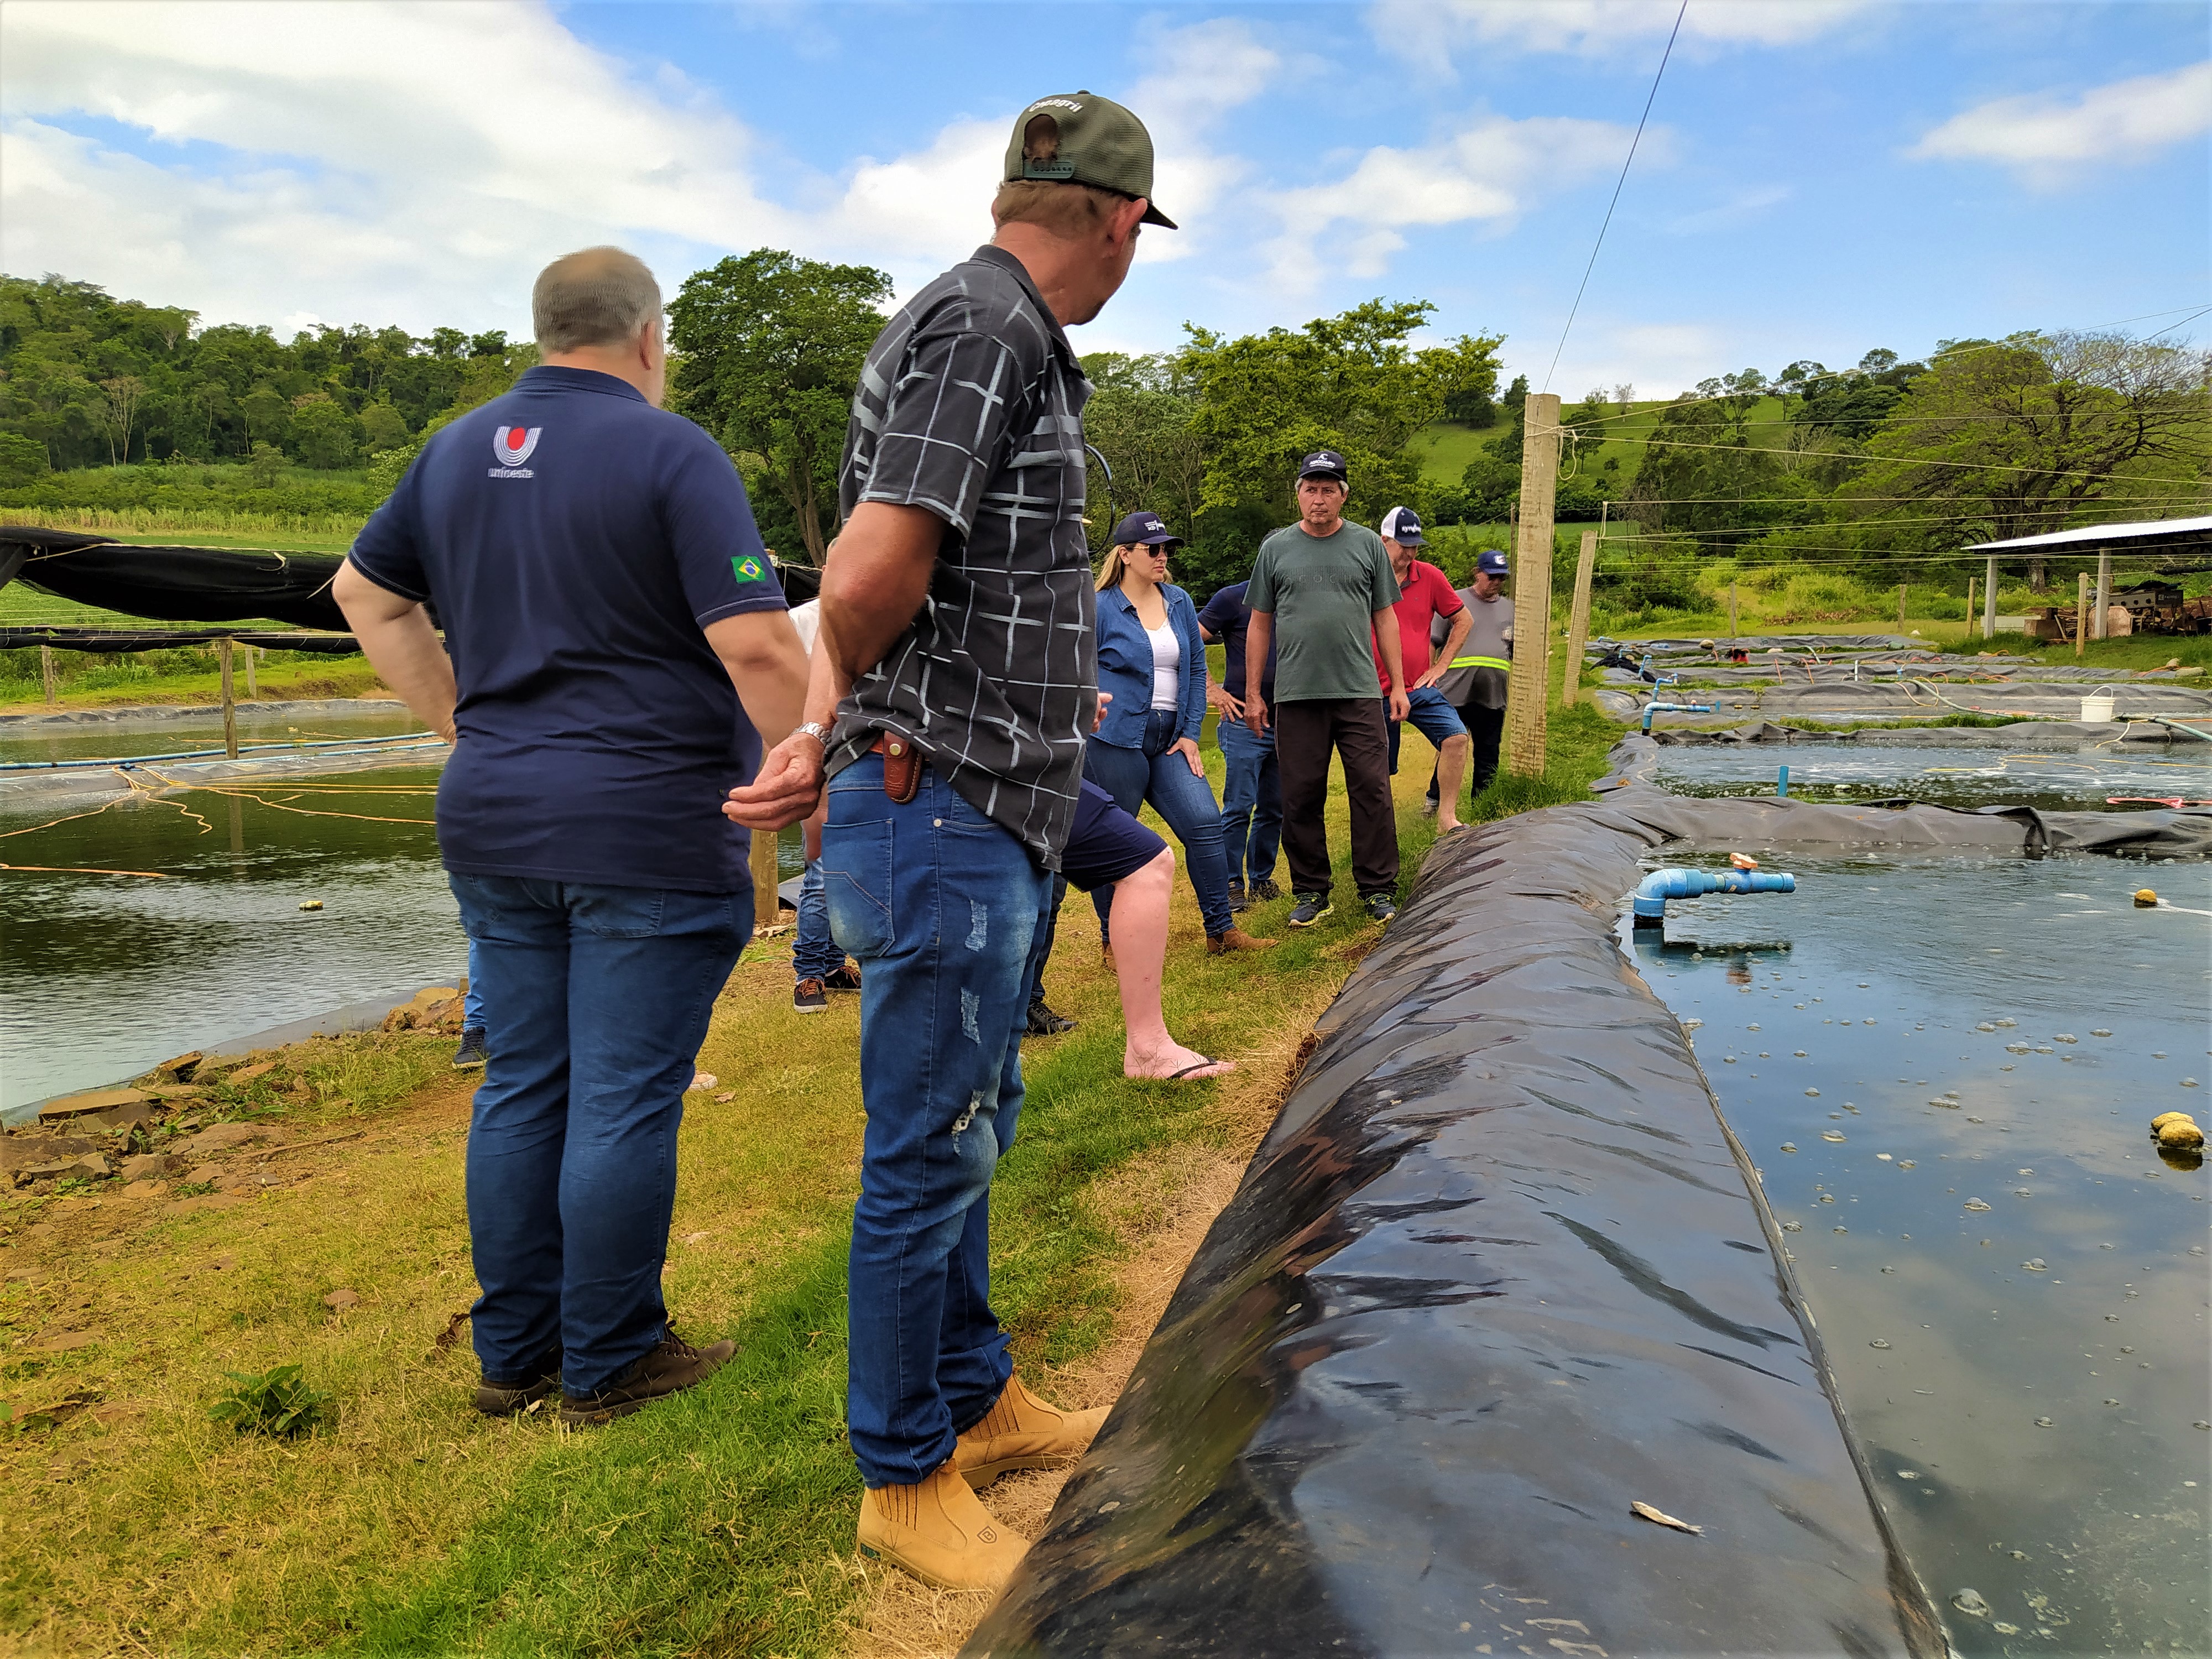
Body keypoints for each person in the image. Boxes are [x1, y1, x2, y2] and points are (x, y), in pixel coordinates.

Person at [723, 90, 1170, 1594]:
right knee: (926, 1146)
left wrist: (835, 712)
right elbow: (869, 563)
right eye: (1136, 234)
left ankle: (977, 1401)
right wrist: (839, 719)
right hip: (941, 800)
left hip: (980, 799)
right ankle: (901, 1477)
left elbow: (913, 567)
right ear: (1118, 221)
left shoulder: (1000, 332)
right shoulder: (986, 329)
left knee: (977, 1122)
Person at [334, 246, 807, 1427]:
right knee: (622, 1097)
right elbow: (755, 644)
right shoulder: (670, 450)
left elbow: (364, 594)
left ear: (544, 329)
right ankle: (611, 1359)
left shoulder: (450, 451)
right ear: (650, 338)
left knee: (522, 1084)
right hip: (643, 822)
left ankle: (515, 1358)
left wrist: (460, 720)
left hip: (495, 817)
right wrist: (807, 760)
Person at [1087, 510, 1272, 956]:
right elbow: (1077, 669)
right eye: (1153, 549)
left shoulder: (1179, 601)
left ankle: (1221, 931)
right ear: (1126, 554)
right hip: (1115, 739)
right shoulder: (1097, 606)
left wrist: (1191, 732)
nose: (1162, 556)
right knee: (1115, 837)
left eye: (1166, 549)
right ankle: (1114, 942)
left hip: (1171, 738)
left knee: (1204, 823)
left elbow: (1193, 666)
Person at [1241, 451, 1408, 928]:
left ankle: (1378, 889)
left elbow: (1385, 617)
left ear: (1344, 495)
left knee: (1372, 790)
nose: (1319, 499)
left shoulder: (1367, 546)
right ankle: (1312, 892)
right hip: (1296, 695)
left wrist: (1397, 685)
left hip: (1358, 691)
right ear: (1297, 493)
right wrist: (1254, 693)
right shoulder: (1276, 549)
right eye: (1311, 489)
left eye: (1329, 489)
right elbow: (1259, 623)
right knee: (1300, 795)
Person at [1021, 775, 1233, 1079]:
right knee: (1141, 860)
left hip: (1030, 757)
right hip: (988, 759)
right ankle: (1148, 1050)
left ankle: (1146, 1048)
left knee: (1040, 889)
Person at [1374, 507, 1473, 836]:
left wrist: (1441, 665)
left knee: (1456, 737)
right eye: (1404, 546)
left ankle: (1447, 818)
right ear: (1384, 541)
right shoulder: (1365, 576)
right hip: (1373, 688)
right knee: (1377, 768)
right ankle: (1380, 834)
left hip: (1417, 686)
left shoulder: (1429, 576)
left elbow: (1463, 619)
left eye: (1416, 546)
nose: (1411, 553)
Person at [786, 597, 863, 1013]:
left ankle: (833, 965)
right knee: (820, 867)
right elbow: (783, 691)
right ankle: (809, 972)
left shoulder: (868, 610)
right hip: (822, 751)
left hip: (861, 754)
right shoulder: (802, 620)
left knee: (846, 867)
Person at [1197, 574, 1281, 909]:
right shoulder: (1234, 598)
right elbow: (1190, 639)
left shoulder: (1297, 598)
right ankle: (1230, 882)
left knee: (1276, 806)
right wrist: (1211, 690)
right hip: (1243, 720)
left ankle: (1261, 879)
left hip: (1289, 721)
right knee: (1239, 805)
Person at [1431, 548, 1513, 808]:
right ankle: (1435, 801)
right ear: (1477, 573)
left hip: (1493, 692)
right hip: (1456, 690)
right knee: (1451, 746)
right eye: (1491, 576)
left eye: (1501, 578)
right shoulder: (1454, 601)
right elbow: (1433, 640)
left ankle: (1484, 804)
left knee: (1489, 749)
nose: (1497, 582)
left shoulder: (1511, 609)